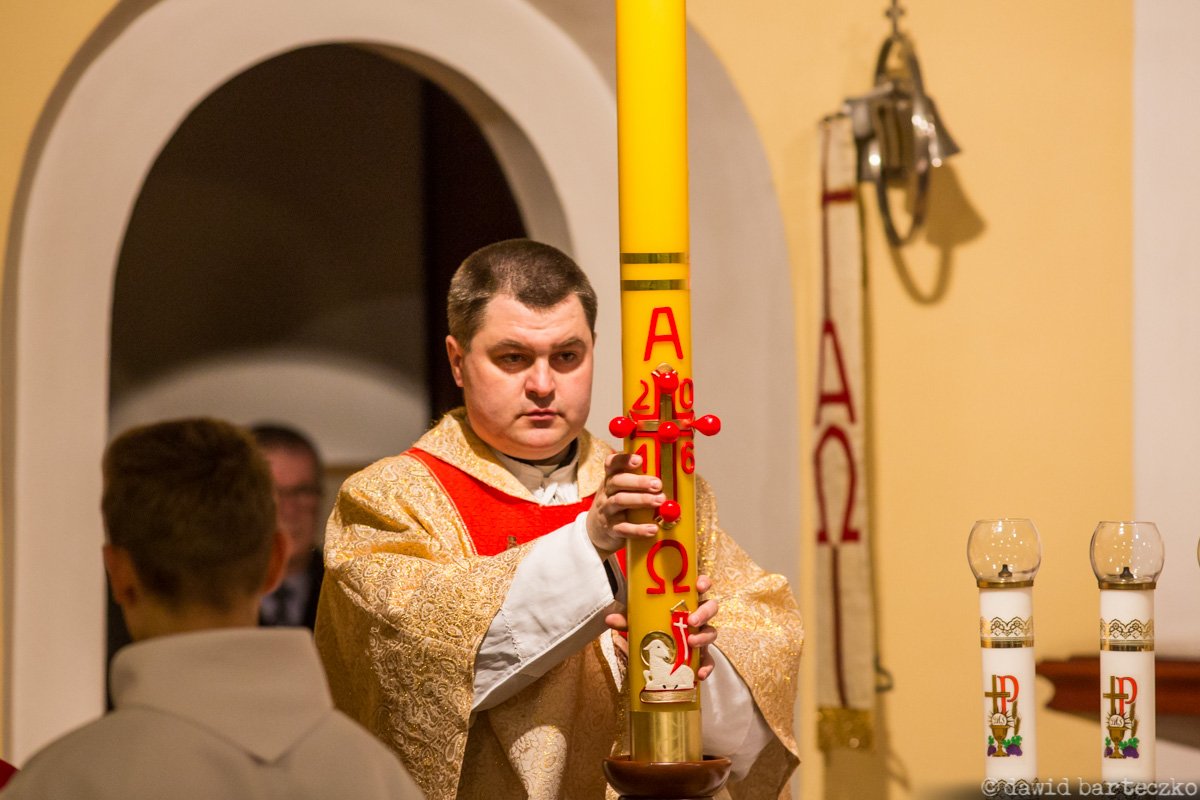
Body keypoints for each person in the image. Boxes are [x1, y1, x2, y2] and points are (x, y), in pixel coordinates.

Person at [316, 239, 803, 799]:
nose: (544, 385)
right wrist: (591, 549)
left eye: (567, 357)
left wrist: (692, 669)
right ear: (457, 360)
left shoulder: (666, 493)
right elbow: (411, 679)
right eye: (513, 358)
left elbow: (759, 694)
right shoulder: (390, 500)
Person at [2, 418, 420, 799]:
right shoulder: (376, 777)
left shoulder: (61, 782)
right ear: (275, 560)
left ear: (119, 573)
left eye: (300, 492)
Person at [252, 423, 325, 628]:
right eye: (272, 492)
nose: (289, 509)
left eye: (303, 491)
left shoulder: (351, 591)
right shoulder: (204, 599)